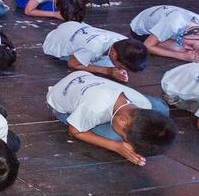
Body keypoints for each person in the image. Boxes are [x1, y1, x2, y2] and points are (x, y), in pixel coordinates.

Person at [46, 71, 176, 166]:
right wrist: (116, 146)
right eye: (126, 138)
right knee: (113, 136)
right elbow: (74, 131)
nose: (125, 141)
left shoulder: (143, 103)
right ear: (123, 121)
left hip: (83, 78)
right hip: (58, 99)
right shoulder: (94, 109)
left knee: (159, 108)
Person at [43, 21, 150, 82]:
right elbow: (72, 63)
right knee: (96, 64)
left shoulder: (122, 40)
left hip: (74, 25)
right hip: (54, 40)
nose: (121, 69)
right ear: (114, 53)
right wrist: (107, 71)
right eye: (121, 66)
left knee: (103, 62)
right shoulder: (93, 48)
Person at [129, 4, 199, 63]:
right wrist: (182, 56)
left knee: (187, 50)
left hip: (164, 19)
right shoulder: (173, 24)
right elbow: (147, 46)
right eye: (192, 46)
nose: (188, 48)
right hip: (139, 29)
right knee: (180, 49)